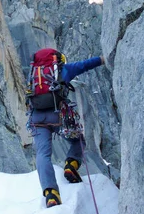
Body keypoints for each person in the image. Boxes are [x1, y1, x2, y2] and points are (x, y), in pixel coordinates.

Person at [26, 48, 104, 208]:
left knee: (42, 154)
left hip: (37, 118)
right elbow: (84, 65)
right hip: (58, 116)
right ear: (57, 59)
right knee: (78, 139)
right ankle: (71, 165)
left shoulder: (33, 74)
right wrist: (102, 59)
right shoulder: (62, 70)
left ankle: (51, 193)